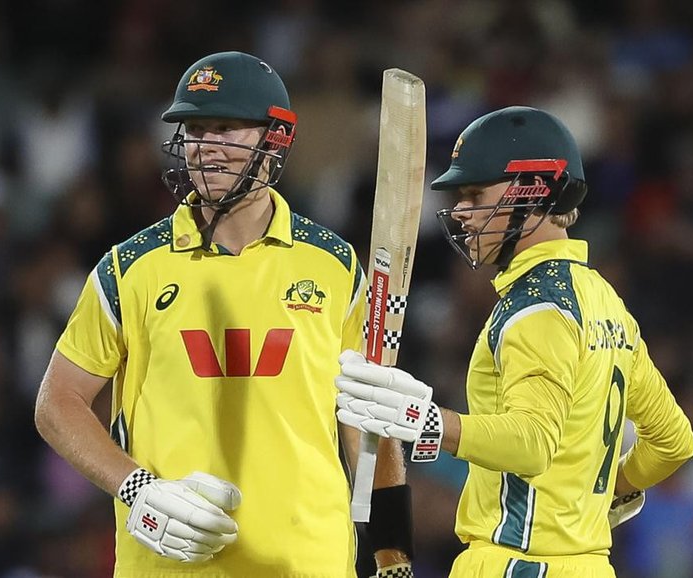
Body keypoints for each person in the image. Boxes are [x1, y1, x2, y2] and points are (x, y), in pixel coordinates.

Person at [34, 51, 415, 578]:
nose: (205, 146)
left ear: (275, 139)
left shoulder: (335, 266)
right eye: (195, 130)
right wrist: (137, 488)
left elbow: (368, 423)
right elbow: (57, 403)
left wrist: (393, 555)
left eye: (226, 129)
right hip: (169, 566)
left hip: (307, 562)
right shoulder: (128, 269)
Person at [335, 106, 693, 577]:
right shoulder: (606, 301)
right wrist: (602, 495)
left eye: (474, 194)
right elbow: (673, 443)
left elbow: (532, 443)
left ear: (532, 191)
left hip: (518, 565)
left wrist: (428, 423)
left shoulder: (534, 309)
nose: (461, 213)